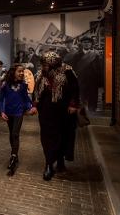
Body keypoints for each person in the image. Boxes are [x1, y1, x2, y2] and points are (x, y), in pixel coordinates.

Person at [33, 51, 80, 181]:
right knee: (47, 137)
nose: (44, 66)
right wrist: (34, 105)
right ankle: (48, 164)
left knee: (63, 136)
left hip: (64, 110)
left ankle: (60, 161)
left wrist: (73, 104)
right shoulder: (40, 74)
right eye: (43, 63)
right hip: (46, 111)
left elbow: (75, 89)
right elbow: (36, 90)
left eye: (46, 64)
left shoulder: (67, 71)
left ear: (54, 63)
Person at [0, 64, 37, 174]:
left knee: (15, 134)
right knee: (11, 134)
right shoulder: (5, 85)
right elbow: (1, 99)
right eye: (20, 71)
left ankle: (13, 157)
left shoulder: (23, 85)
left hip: (19, 113)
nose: (22, 73)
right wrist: (2, 111)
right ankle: (14, 154)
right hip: (8, 113)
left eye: (23, 72)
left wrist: (31, 107)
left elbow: (26, 99)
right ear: (13, 72)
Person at [64, 36, 102, 112]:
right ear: (82, 44)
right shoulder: (76, 55)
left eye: (88, 42)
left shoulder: (96, 55)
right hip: (80, 80)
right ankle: (81, 115)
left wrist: (99, 81)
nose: (87, 44)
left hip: (92, 80)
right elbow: (73, 68)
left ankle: (92, 112)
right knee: (81, 98)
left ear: (91, 44)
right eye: (85, 42)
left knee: (93, 98)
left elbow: (99, 69)